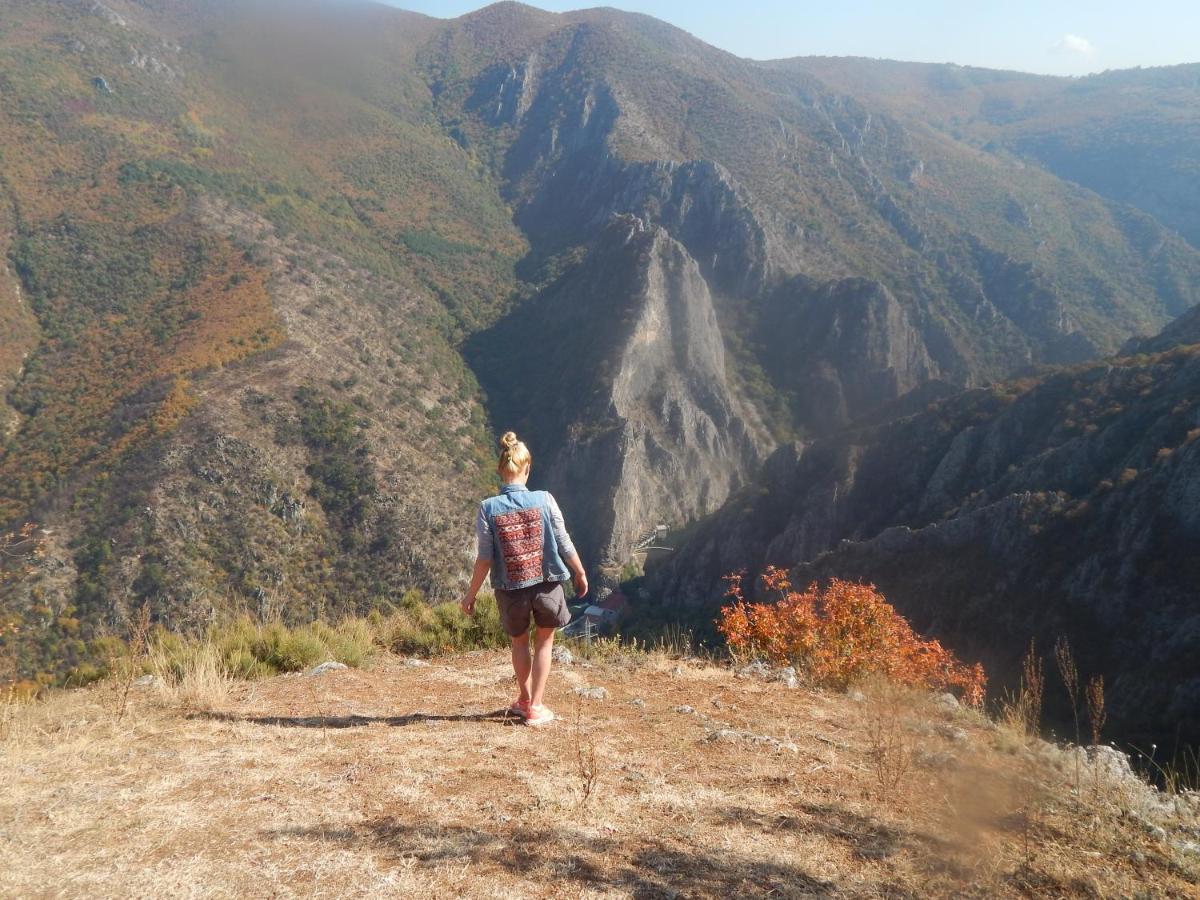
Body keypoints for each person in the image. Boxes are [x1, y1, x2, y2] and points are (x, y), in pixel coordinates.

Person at [460, 432, 587, 727]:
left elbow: (485, 558)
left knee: (519, 643)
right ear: (527, 468)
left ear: (500, 471)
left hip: (510, 589)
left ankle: (524, 699)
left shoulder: (487, 508)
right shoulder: (544, 499)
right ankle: (537, 707)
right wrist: (579, 572)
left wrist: (471, 595)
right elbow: (563, 540)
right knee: (544, 642)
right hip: (546, 583)